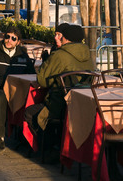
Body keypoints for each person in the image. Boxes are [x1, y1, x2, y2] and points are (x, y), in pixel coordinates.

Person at [24, 22, 95, 161]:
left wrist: (46, 62)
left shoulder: (60, 55)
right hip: (80, 106)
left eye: (61, 36)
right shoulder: (88, 55)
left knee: (30, 112)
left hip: (60, 105)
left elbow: (43, 81)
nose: (58, 38)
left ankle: (50, 148)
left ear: (66, 38)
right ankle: (58, 144)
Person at [0, 25, 36, 154]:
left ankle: (28, 139)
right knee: (0, 98)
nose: (9, 40)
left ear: (18, 42)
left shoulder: (23, 56)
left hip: (19, 92)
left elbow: (32, 74)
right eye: (7, 37)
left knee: (32, 98)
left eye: (13, 38)